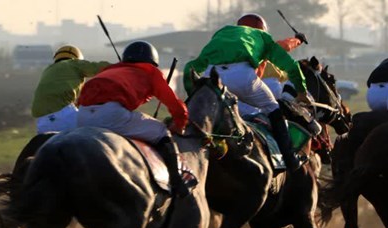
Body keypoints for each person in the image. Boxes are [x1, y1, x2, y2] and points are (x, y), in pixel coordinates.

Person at [183, 13, 310, 172]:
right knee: (273, 108)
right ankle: (290, 159)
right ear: (263, 30)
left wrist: (193, 93)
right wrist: (301, 90)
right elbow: (290, 63)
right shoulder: (262, 37)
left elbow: (191, 68)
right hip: (242, 78)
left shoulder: (223, 32)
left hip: (211, 76)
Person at [77, 41, 191, 198]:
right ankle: (177, 181)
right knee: (161, 131)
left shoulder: (109, 70)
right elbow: (173, 103)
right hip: (111, 114)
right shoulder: (151, 71)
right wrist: (180, 123)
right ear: (152, 61)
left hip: (82, 115)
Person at [31, 45, 110, 133]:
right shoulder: (73, 64)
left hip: (42, 122)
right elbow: (99, 68)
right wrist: (122, 65)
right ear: (76, 58)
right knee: (105, 128)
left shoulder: (48, 69)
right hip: (64, 114)